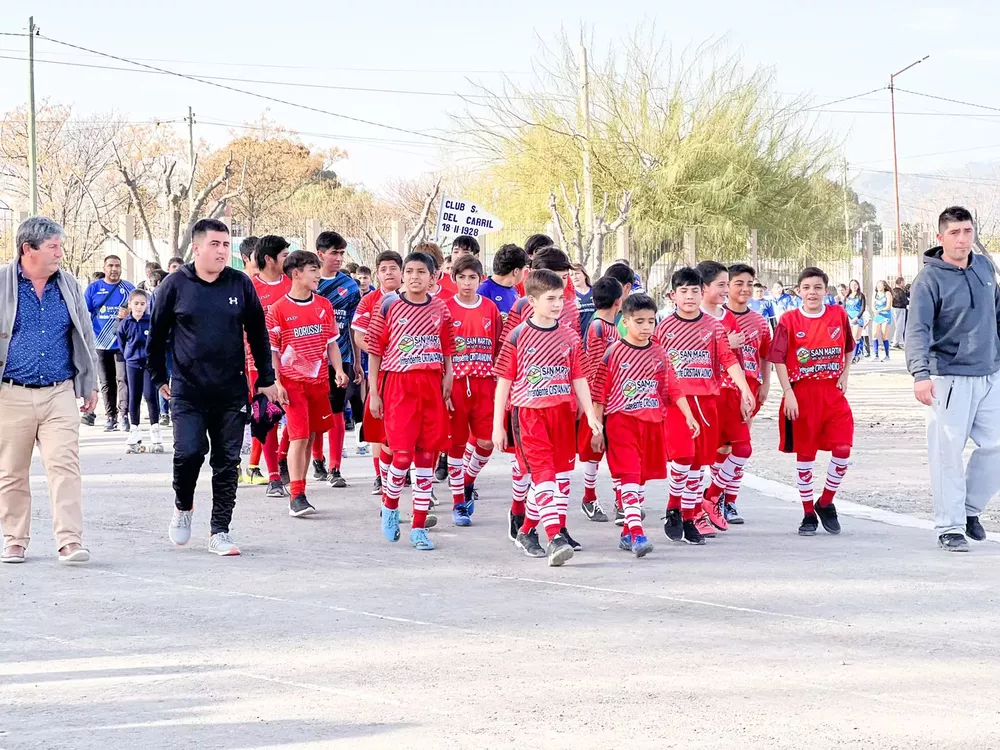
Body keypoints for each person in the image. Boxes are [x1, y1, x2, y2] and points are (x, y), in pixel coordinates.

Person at [148, 218, 278, 557]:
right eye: (215, 245)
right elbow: (157, 336)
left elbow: (259, 334)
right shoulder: (174, 285)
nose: (222, 251)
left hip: (231, 391)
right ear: (197, 247)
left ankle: (220, 529)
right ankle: (183, 506)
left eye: (225, 245)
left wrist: (266, 380)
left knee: (226, 462)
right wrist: (160, 378)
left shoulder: (240, 284)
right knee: (189, 453)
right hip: (188, 391)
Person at [0, 216, 98, 564]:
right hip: (11, 394)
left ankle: (70, 541)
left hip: (59, 391)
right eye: (53, 247)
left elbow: (85, 333)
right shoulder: (2, 282)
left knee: (65, 467)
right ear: (28, 250)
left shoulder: (67, 284)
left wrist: (90, 382)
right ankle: (15, 540)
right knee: (11, 471)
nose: (60, 253)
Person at [906, 206, 1000, 552]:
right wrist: (921, 374)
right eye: (955, 232)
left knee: (996, 446)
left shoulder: (985, 268)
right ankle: (950, 526)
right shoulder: (929, 280)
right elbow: (916, 330)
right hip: (948, 377)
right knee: (947, 453)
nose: (963, 239)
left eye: (968, 231)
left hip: (990, 372)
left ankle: (970, 509)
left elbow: (997, 314)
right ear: (941, 237)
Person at [493, 269, 601, 566]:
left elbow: (578, 377)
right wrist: (496, 427)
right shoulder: (518, 335)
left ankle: (527, 530)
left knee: (559, 478)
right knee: (544, 478)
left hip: (561, 414)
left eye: (560, 298)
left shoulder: (568, 335)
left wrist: (591, 414)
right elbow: (503, 381)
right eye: (550, 299)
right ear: (532, 300)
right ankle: (555, 537)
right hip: (528, 414)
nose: (557, 304)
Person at [591, 293, 698, 556]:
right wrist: (597, 429)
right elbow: (599, 394)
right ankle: (638, 534)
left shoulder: (659, 352)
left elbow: (672, 385)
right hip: (621, 422)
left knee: (639, 480)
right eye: (640, 321)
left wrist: (688, 414)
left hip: (651, 423)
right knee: (628, 475)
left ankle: (627, 532)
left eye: (651, 321)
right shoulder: (613, 352)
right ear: (625, 321)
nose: (646, 327)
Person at [654, 267, 754, 546]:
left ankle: (688, 517)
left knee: (699, 464)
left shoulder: (713, 328)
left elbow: (728, 359)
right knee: (683, 457)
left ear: (702, 294)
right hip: (677, 404)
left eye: (694, 291)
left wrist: (745, 389)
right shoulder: (663, 328)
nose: (689, 296)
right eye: (683, 291)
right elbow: (656, 366)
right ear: (673, 295)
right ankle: (673, 507)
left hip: (708, 402)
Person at [367, 251, 455, 552]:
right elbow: (375, 351)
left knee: (426, 458)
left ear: (433, 278)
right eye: (410, 271)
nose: (415, 276)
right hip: (399, 387)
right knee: (401, 456)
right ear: (403, 275)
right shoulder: (389, 304)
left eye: (422, 272)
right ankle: (390, 507)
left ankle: (419, 527)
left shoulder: (440, 307)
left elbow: (447, 345)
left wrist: (448, 376)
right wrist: (375, 392)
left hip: (430, 385)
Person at [769, 266, 853, 536]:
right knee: (806, 454)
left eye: (817, 287)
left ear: (825, 291)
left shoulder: (838, 314)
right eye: (806, 288)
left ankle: (826, 501)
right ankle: (807, 513)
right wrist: (788, 392)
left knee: (842, 448)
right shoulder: (789, 320)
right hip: (802, 394)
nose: (812, 292)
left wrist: (845, 375)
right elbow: (778, 358)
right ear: (798, 291)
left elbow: (849, 347)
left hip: (831, 392)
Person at [268, 251, 348, 518]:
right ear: (296, 274)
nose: (317, 274)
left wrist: (338, 369)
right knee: (300, 436)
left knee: (312, 434)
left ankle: (299, 488)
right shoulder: (278, 309)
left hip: (319, 383)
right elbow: (273, 352)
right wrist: (277, 382)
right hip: (292, 384)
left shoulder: (324, 305)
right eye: (313, 269)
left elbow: (331, 343)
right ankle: (297, 495)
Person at [707, 263, 772, 524]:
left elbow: (765, 354)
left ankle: (729, 501)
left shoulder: (759, 321)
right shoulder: (714, 317)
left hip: (747, 389)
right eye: (737, 284)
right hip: (719, 391)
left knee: (740, 445)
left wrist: (765, 385)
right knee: (720, 447)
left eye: (750, 284)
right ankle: (713, 498)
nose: (745, 289)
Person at [695, 260, 755, 536]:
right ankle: (691, 512)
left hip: (730, 393)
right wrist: (720, 344)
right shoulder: (689, 315)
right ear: (703, 287)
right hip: (704, 395)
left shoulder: (727, 316)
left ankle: (712, 496)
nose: (726, 291)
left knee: (742, 449)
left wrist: (745, 392)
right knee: (701, 456)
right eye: (721, 285)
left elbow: (737, 357)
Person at [444, 255, 503, 526]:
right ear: (454, 279)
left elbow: (500, 349)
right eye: (462, 277)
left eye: (472, 277)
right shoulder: (445, 308)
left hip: (484, 386)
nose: (467, 283)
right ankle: (459, 504)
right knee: (455, 447)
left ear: (481, 279)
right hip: (455, 385)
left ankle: (467, 482)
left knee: (487, 442)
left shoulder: (490, 308)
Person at [352, 250, 404, 496]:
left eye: (393, 268)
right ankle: (379, 476)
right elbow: (359, 336)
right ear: (377, 274)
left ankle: (406, 473)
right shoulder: (369, 301)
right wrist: (382, 352)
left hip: (408, 374)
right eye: (383, 269)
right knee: (378, 426)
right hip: (380, 373)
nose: (388, 273)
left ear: (401, 272)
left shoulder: (412, 298)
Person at [312, 230, 361, 489]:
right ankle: (316, 458)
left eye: (342, 253)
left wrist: (355, 360)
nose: (339, 258)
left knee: (337, 411)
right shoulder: (308, 281)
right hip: (309, 361)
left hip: (339, 359)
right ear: (320, 254)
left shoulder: (350, 286)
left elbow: (354, 327)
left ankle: (335, 467)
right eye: (334, 253)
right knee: (315, 414)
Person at [578, 277, 624, 524]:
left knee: (616, 451)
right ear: (619, 301)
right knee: (593, 452)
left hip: (611, 398)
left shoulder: (612, 328)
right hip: (598, 400)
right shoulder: (598, 328)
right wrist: (595, 408)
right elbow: (594, 370)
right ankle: (589, 498)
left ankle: (621, 500)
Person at [252, 236, 293, 494]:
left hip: (293, 363)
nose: (287, 260)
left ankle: (282, 455)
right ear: (269, 259)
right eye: (284, 255)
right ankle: (274, 477)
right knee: (268, 416)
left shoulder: (292, 284)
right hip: (258, 362)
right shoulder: (249, 287)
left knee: (297, 415)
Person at [83, 254, 135, 430]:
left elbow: (140, 311)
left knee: (123, 380)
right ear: (104, 268)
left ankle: (123, 416)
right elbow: (84, 313)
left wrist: (130, 314)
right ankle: (110, 416)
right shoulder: (94, 288)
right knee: (106, 382)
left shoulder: (128, 288)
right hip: (100, 344)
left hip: (122, 343)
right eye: (111, 265)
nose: (114, 269)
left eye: (117, 266)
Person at [117, 290, 163, 453]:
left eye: (142, 304)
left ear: (147, 305)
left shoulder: (150, 322)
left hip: (148, 364)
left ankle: (155, 430)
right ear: (130, 304)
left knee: (150, 395)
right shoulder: (125, 323)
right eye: (136, 303)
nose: (139, 307)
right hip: (132, 363)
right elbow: (122, 344)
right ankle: (134, 430)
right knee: (134, 396)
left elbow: (157, 342)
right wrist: (130, 356)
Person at [478, 244, 528, 321]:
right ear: (516, 271)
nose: (524, 273)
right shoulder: (483, 291)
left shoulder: (513, 289)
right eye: (524, 270)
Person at [845, 279, 867, 363]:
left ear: (858, 286)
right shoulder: (847, 296)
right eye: (852, 285)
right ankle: (855, 354)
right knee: (850, 338)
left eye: (855, 285)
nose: (853, 287)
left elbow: (862, 308)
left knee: (855, 338)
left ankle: (854, 356)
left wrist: (856, 318)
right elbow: (844, 307)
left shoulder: (861, 296)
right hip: (848, 318)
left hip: (857, 319)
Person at [872, 280, 893, 361]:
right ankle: (876, 355)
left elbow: (888, 306)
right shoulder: (875, 294)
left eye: (881, 285)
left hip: (885, 315)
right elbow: (873, 305)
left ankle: (887, 355)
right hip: (878, 315)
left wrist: (881, 310)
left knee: (884, 334)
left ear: (884, 286)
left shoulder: (887, 294)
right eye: (878, 285)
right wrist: (874, 310)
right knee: (874, 334)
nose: (879, 286)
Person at [571, 263, 595, 334]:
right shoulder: (570, 296)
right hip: (578, 336)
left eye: (577, 273)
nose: (574, 277)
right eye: (571, 275)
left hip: (595, 334)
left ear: (584, 274)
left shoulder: (596, 292)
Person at [891, 276, 909, 349]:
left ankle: (896, 341)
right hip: (900, 309)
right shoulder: (900, 291)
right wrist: (908, 302)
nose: (904, 283)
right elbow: (904, 300)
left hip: (894, 308)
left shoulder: (893, 290)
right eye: (903, 282)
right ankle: (896, 342)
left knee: (898, 325)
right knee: (900, 326)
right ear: (901, 282)